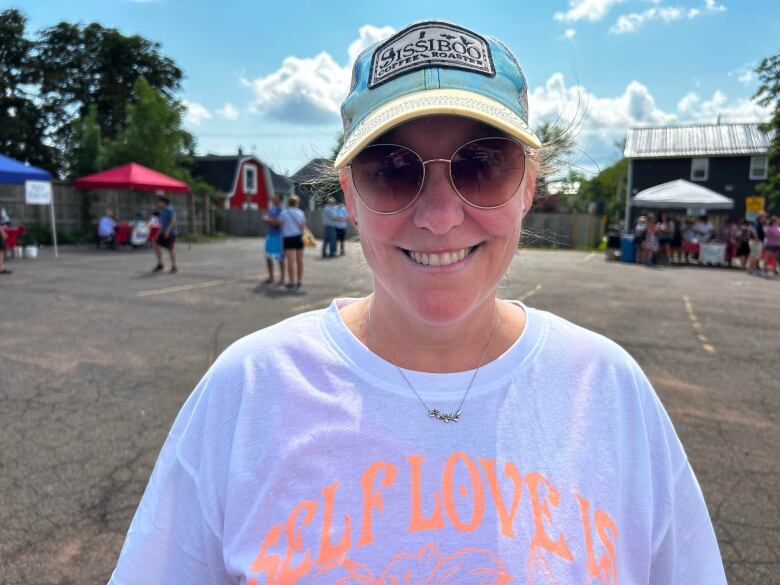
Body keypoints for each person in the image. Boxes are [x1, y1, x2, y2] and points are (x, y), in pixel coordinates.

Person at [108, 20, 726, 584]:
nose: (437, 217)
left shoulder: (610, 393)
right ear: (348, 195)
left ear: (530, 184)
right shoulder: (249, 392)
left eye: (483, 164)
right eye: (391, 167)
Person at [280, 194, 306, 289]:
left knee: (290, 261)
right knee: (300, 261)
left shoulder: (283, 213)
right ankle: (299, 281)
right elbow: (302, 227)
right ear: (297, 203)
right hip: (298, 237)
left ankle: (292, 282)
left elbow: (282, 227)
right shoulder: (300, 213)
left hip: (288, 238)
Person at [262, 194, 285, 284]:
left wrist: (269, 220)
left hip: (278, 236)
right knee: (268, 257)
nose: (273, 199)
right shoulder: (271, 209)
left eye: (275, 198)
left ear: (280, 200)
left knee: (280, 258)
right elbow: (266, 219)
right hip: (270, 235)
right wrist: (271, 220)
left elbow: (278, 223)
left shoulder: (282, 211)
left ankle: (282, 278)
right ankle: (271, 277)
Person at [152, 196, 177, 273]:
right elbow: (162, 224)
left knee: (170, 248)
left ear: (164, 202)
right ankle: (160, 264)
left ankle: (174, 266)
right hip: (162, 232)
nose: (158, 203)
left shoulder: (170, 210)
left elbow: (173, 221)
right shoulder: (162, 211)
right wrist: (158, 233)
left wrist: (168, 231)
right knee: (156, 245)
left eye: (160, 202)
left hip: (170, 232)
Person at [747, 211, 767, 276]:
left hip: (758, 241)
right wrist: (756, 238)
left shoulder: (760, 223)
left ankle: (753, 269)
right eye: (765, 217)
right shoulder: (756, 222)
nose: (765, 218)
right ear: (761, 217)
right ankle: (751, 270)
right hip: (755, 241)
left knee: (756, 256)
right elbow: (753, 230)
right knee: (753, 256)